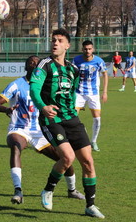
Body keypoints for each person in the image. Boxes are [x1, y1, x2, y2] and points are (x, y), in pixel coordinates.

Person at [29, 28, 105, 219]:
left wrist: (73, 109)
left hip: (72, 119)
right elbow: (34, 89)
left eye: (60, 40)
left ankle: (90, 206)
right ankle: (48, 190)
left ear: (67, 45)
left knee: (88, 162)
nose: (55, 43)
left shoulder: (73, 69)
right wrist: (43, 106)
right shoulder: (44, 65)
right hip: (51, 119)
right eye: (53, 40)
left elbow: (72, 93)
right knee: (68, 157)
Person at [0, 55, 85, 205]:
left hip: (41, 130)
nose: (34, 64)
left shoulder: (47, 85)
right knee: (16, 147)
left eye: (36, 62)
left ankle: (72, 190)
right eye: (30, 62)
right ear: (26, 67)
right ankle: (18, 191)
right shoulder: (16, 84)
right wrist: (6, 109)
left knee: (65, 159)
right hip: (19, 128)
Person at [72, 40, 108, 152]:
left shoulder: (98, 61)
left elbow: (105, 75)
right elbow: (71, 74)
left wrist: (105, 92)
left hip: (93, 94)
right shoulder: (76, 60)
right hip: (79, 93)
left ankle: (93, 141)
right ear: (82, 49)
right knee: (73, 118)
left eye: (89, 49)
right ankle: (78, 140)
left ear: (93, 49)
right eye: (85, 49)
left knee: (97, 119)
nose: (87, 51)